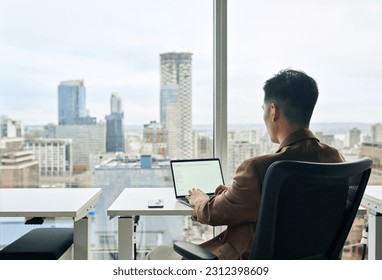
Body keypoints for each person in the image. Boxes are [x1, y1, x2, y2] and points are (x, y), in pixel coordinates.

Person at [146, 69, 345, 260]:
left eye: (264, 109)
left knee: (156, 255)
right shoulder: (336, 160)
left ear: (273, 110)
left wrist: (199, 199)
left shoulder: (258, 169)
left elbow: (212, 213)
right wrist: (234, 195)